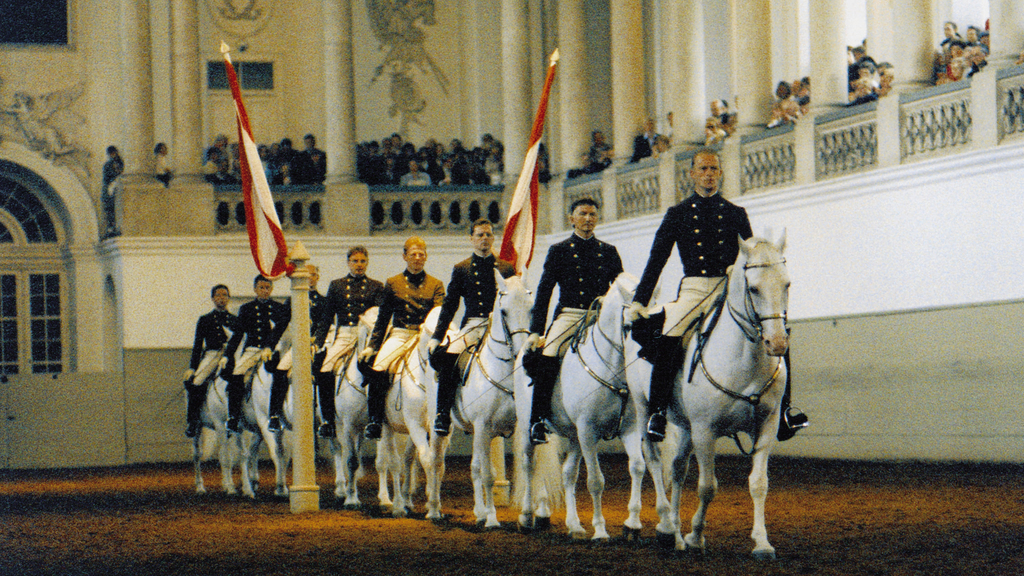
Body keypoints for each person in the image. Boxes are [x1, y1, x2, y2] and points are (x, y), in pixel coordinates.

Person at [629, 148, 808, 443]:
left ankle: (785, 411)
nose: (708, 174)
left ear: (720, 173)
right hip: (695, 289)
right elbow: (657, 259)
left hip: (728, 288)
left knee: (776, 330)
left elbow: (750, 256)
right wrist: (640, 299)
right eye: (703, 169)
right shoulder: (678, 214)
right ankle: (658, 412)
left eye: (713, 169)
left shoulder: (735, 213)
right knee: (671, 332)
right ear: (692, 174)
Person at [525, 198, 624, 445]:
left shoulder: (608, 251)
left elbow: (620, 288)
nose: (588, 218)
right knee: (548, 354)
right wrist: (536, 330)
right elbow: (544, 291)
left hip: (600, 316)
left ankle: (631, 413)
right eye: (582, 214)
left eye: (592, 214)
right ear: (572, 218)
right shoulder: (559, 250)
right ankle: (538, 419)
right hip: (570, 314)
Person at [427, 219, 516, 436]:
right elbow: (450, 305)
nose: (484, 239)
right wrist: (437, 336)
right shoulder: (462, 268)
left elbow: (515, 301)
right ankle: (442, 414)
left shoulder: (506, 268)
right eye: (479, 235)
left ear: (493, 238)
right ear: (471, 239)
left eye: (488, 234)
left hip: (500, 326)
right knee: (450, 357)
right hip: (474, 325)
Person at [358, 237, 445, 439]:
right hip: (400, 336)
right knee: (378, 368)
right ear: (404, 256)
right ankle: (375, 420)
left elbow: (440, 315)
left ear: (426, 257)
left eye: (421, 254)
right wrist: (372, 346)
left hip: (424, 336)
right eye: (413, 254)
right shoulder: (393, 283)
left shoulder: (436, 285)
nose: (417, 258)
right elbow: (383, 319)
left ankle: (444, 415)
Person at [312, 248, 385, 438]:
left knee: (382, 368)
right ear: (348, 262)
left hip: (367, 336)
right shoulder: (336, 285)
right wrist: (318, 342)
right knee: (325, 369)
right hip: (345, 335)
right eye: (355, 261)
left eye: (362, 261)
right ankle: (328, 420)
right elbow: (327, 318)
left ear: (367, 262)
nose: (359, 265)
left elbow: (381, 316)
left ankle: (377, 417)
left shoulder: (376, 286)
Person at [220, 275, 290, 434]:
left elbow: (279, 331)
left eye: (267, 288)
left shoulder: (278, 308)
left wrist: (269, 347)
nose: (265, 291)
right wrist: (227, 355)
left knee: (279, 374)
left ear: (271, 289)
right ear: (255, 289)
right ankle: (233, 417)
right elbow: (238, 334)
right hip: (252, 350)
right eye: (261, 288)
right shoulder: (246, 309)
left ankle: (274, 415)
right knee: (236, 374)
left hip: (271, 350)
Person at [266, 264, 326, 433]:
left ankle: (328, 417)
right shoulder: (293, 299)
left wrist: (318, 341)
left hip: (319, 344)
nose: (309, 278)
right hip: (299, 346)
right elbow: (280, 325)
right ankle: (274, 415)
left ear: (317, 277)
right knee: (280, 371)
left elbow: (327, 324)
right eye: (306, 275)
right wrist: (269, 347)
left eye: (312, 275)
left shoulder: (324, 301)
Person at [182, 284, 238, 438]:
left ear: (228, 298)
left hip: (230, 355)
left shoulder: (234, 320)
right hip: (212, 354)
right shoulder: (205, 319)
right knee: (196, 382)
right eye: (218, 295)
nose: (221, 298)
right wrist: (192, 367)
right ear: (213, 298)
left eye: (224, 295)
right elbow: (197, 345)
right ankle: (193, 421)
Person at [101, 145, 123, 238]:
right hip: (110, 188)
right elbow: (106, 177)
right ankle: (111, 228)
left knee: (114, 209)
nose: (112, 155)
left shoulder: (119, 163)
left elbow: (119, 173)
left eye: (113, 153)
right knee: (110, 210)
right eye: (111, 154)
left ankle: (115, 228)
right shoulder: (108, 165)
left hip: (115, 187)